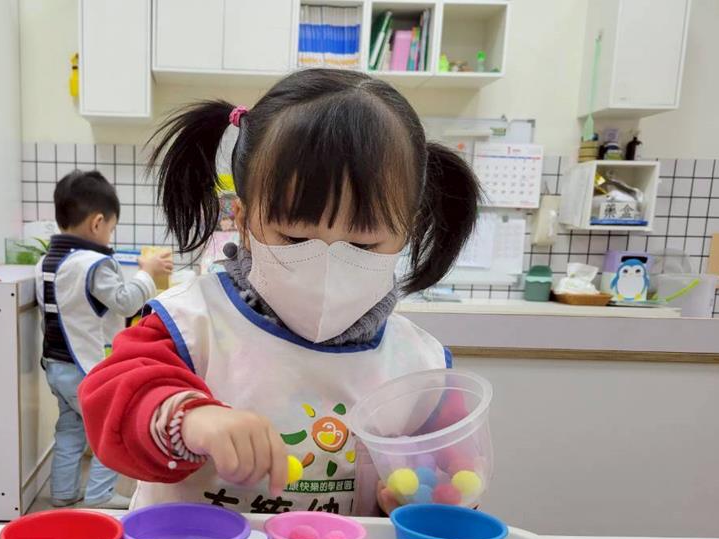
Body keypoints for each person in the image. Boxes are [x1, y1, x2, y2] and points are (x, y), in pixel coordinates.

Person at [77, 69, 478, 516]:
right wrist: (191, 418)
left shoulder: (420, 370)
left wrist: (420, 501)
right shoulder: (193, 324)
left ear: (409, 231)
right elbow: (110, 402)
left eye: (364, 244)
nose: (327, 263)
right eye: (294, 237)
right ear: (244, 221)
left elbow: (450, 482)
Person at [37, 170, 172, 509]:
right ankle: (100, 494)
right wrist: (148, 273)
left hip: (55, 365)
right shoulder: (94, 264)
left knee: (69, 430)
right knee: (109, 428)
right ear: (98, 223)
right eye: (111, 228)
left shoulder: (48, 261)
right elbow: (125, 302)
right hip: (85, 366)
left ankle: (63, 493)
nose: (110, 234)